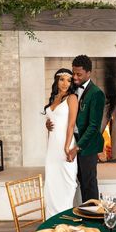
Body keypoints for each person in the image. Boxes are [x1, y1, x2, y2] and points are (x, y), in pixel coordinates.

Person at [46, 55, 105, 203]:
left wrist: (76, 148)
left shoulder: (96, 94)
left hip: (87, 145)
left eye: (79, 74)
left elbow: (93, 127)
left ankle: (92, 217)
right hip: (73, 141)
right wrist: (49, 123)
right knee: (75, 180)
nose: (75, 77)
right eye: (74, 73)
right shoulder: (71, 90)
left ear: (88, 73)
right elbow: (62, 114)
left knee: (88, 183)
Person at [43, 68, 78, 219]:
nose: (65, 83)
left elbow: (71, 124)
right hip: (52, 149)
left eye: (68, 80)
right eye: (62, 79)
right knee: (52, 183)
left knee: (67, 184)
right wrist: (47, 125)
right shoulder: (54, 98)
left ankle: (65, 220)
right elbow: (52, 119)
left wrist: (66, 146)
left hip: (66, 145)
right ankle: (52, 220)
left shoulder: (72, 98)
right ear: (56, 81)